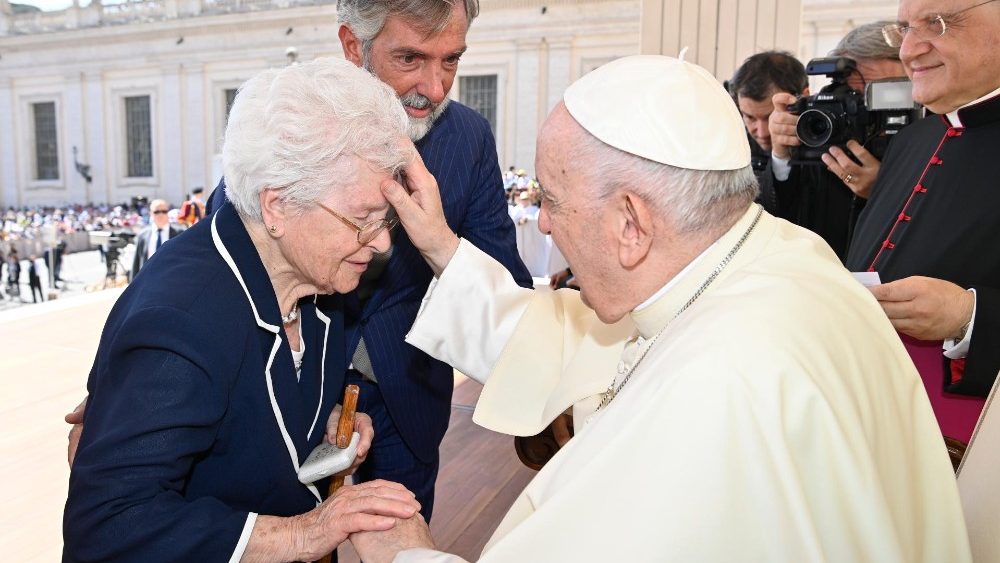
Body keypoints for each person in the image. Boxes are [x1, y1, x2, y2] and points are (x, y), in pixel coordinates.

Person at [351, 55, 971, 561]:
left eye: (554, 202)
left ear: (632, 223)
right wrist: (439, 244)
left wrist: (407, 556)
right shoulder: (779, 254)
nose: (542, 224)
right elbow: (572, 345)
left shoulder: (720, 382)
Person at [63, 58, 421, 562]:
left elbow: (257, 402)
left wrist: (327, 420)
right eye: (362, 219)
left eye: (385, 220)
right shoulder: (179, 323)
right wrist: (302, 534)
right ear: (276, 206)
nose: (381, 243)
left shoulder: (319, 276)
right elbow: (108, 526)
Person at [845, 0, 1000, 444]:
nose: (910, 50)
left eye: (937, 24)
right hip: (869, 422)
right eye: (905, 29)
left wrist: (968, 316)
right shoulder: (913, 138)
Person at [767, 22, 906, 260]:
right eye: (853, 96)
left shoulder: (935, 138)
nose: (863, 109)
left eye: (880, 94)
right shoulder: (824, 135)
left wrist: (882, 192)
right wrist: (782, 155)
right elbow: (782, 220)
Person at [727, 51, 808, 215]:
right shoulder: (731, 148)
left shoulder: (827, 141)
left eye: (771, 117)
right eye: (749, 117)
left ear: (804, 97)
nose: (763, 132)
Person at [130, 198, 183, 279]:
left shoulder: (180, 234)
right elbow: (136, 263)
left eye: (164, 211)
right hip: (147, 281)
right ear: (151, 213)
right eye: (156, 212)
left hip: (172, 281)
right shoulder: (143, 235)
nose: (160, 214)